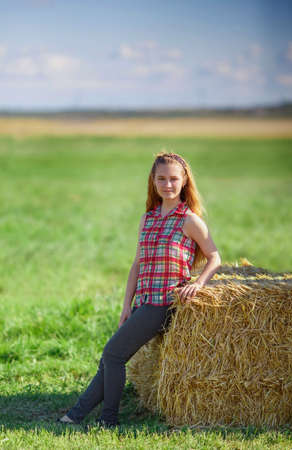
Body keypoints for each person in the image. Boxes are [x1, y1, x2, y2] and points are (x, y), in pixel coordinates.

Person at [58, 151, 221, 428]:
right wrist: (125, 306)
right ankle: (75, 414)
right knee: (109, 361)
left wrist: (198, 283)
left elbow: (215, 257)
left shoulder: (190, 220)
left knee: (113, 355)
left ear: (184, 182)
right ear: (153, 181)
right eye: (161, 179)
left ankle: (108, 420)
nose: (167, 184)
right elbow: (137, 265)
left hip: (164, 303)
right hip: (143, 302)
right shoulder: (148, 218)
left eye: (173, 179)